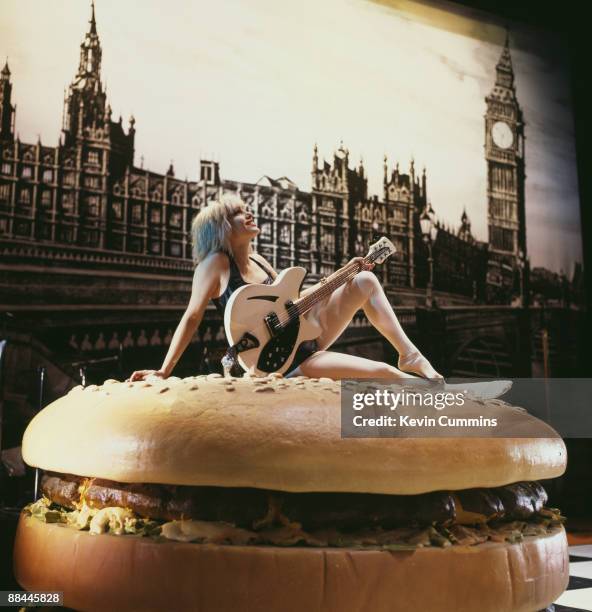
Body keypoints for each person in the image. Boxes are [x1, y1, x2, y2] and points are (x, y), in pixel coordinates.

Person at [128, 195, 442, 383]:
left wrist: (345, 274)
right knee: (384, 374)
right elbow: (191, 318)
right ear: (222, 226)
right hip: (280, 362)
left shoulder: (261, 262)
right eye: (238, 212)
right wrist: (164, 371)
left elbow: (290, 305)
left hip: (303, 338)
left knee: (364, 281)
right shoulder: (215, 265)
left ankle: (410, 355)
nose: (248, 213)